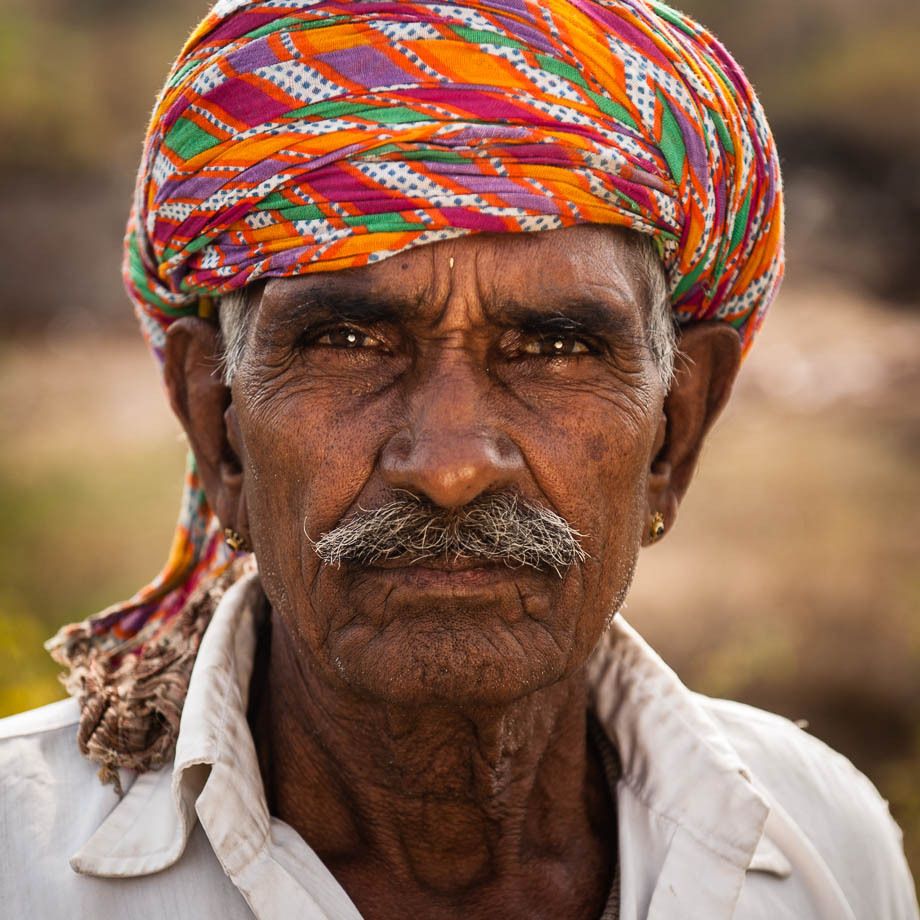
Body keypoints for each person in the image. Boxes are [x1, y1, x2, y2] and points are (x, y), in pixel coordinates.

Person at [0, 1, 916, 917]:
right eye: (348, 340)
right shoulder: (20, 860)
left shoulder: (821, 844)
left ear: (674, 433)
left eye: (556, 348)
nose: (448, 467)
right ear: (219, 428)